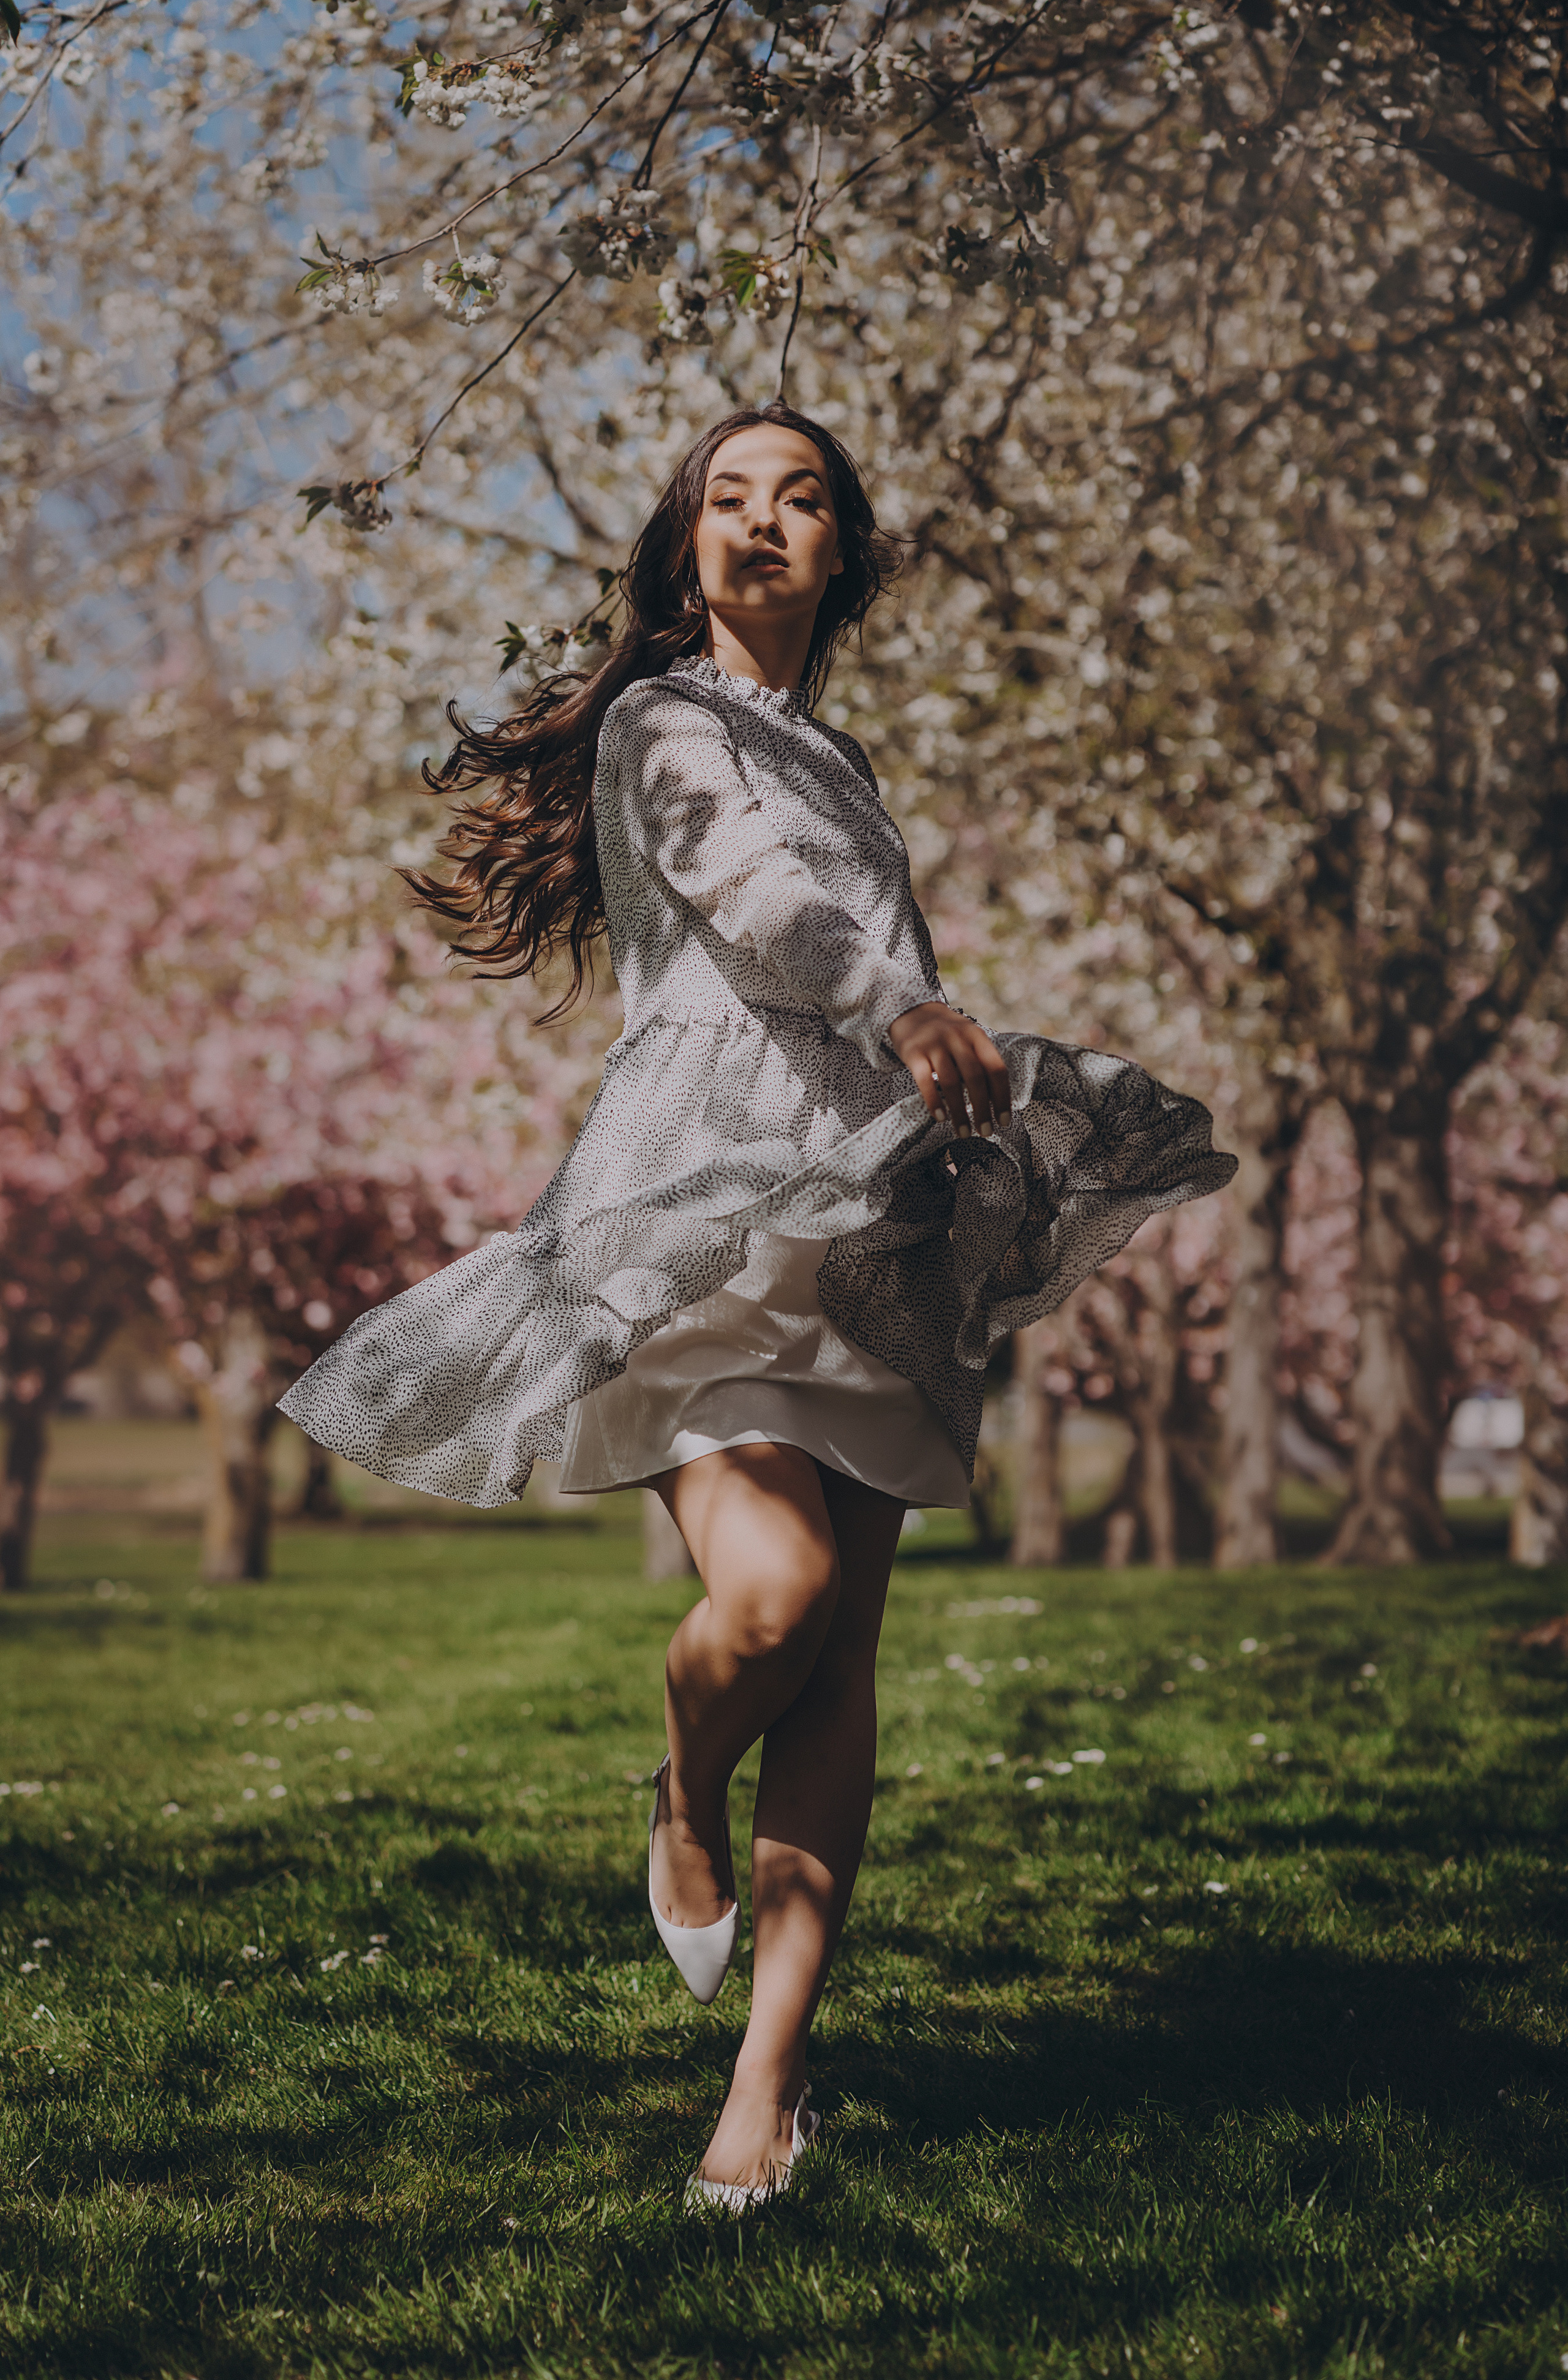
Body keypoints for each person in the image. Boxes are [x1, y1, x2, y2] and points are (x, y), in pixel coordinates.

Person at [281, 401, 1235, 2209]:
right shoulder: (661, 723)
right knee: (771, 1596)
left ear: (841, 551)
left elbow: (864, 937)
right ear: (685, 545)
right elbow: (758, 895)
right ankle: (681, 1791)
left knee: (845, 1659)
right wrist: (906, 998)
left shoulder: (848, 754)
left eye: (802, 499)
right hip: (700, 1203)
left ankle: (766, 2090)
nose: (764, 523)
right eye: (728, 499)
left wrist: (937, 1064)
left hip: (876, 1204)